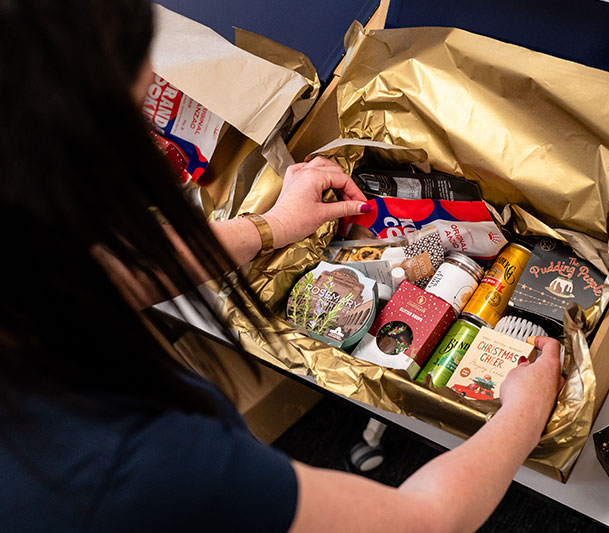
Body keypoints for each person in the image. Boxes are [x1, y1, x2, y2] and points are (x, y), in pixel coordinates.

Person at [0, 1, 562, 532]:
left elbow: (95, 272)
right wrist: (522, 416)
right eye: (139, 118)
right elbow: (423, 520)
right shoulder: (138, 461)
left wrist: (269, 227)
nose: (161, 142)